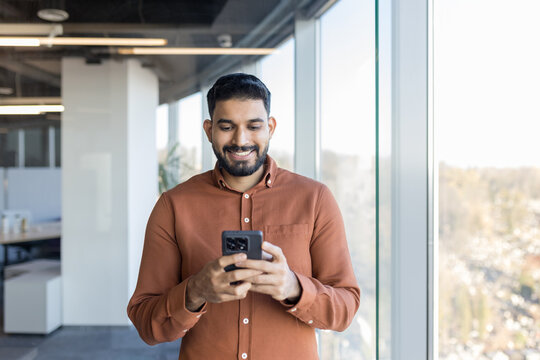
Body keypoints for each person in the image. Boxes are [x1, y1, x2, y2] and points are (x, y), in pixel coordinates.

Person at [127, 73, 360, 359]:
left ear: (270, 128)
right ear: (209, 129)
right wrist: (195, 291)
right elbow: (146, 323)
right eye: (227, 127)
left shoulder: (315, 199)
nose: (241, 140)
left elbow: (345, 309)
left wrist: (293, 287)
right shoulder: (173, 206)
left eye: (254, 126)